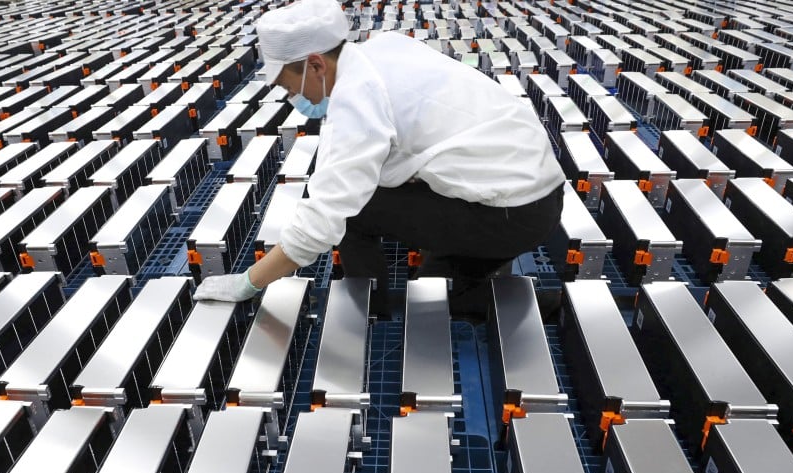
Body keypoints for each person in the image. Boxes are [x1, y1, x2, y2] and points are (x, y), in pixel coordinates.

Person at [193, 0, 565, 318]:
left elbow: (323, 221)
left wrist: (249, 282)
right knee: (438, 289)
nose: (292, 97)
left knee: (356, 213)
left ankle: (371, 308)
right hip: (534, 190)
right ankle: (508, 297)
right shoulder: (385, 47)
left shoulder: (357, 97)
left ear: (316, 65)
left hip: (511, 212)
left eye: (289, 86)